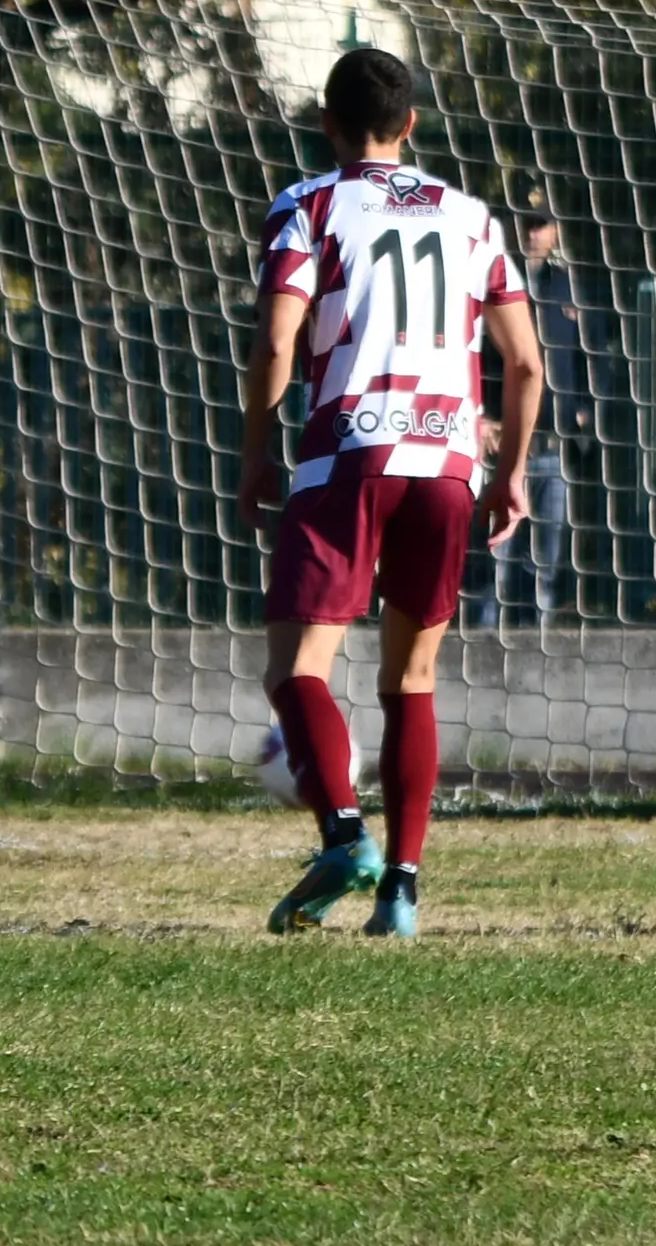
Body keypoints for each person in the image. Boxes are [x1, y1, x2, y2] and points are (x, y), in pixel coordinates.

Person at [237, 47, 542, 940]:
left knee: (297, 673)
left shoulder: (308, 205)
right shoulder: (469, 216)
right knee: (411, 681)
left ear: (328, 124)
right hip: (448, 463)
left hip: (347, 458)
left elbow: (276, 346)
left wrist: (258, 451)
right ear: (411, 125)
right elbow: (524, 363)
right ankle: (400, 893)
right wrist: (510, 471)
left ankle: (342, 833)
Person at [475, 198, 602, 625]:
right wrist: (479, 415)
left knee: (546, 556)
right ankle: (485, 637)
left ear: (555, 233)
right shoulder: (492, 283)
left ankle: (540, 640)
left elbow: (591, 354)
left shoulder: (568, 286)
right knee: (497, 556)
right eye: (528, 224)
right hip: (505, 444)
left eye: (542, 225)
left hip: (553, 444)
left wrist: (582, 410)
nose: (534, 233)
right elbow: (472, 354)